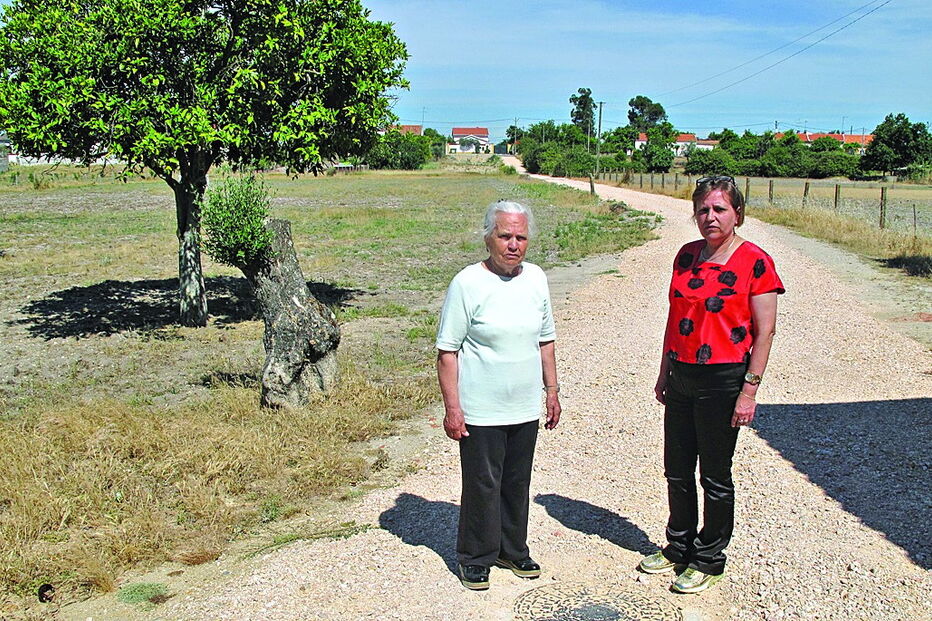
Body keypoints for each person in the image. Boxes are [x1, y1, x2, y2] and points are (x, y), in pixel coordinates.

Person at [639, 175, 784, 594]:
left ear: (737, 213)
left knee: (715, 475)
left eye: (720, 209)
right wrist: (665, 372)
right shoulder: (685, 256)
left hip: (724, 377)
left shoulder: (756, 261)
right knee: (677, 470)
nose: (710, 217)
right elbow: (673, 319)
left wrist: (750, 390)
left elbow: (765, 331)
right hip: (682, 372)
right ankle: (678, 547)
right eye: (703, 209)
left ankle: (709, 558)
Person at [435, 200, 561, 591]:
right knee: (483, 483)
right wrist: (453, 409)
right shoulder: (468, 283)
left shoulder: (536, 278)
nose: (513, 244)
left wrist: (552, 391)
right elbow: (447, 352)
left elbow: (546, 341)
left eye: (521, 237)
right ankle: (475, 555)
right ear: (488, 236)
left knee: (516, 481)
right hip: (481, 408)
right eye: (505, 235)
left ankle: (511, 548)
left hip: (523, 405)